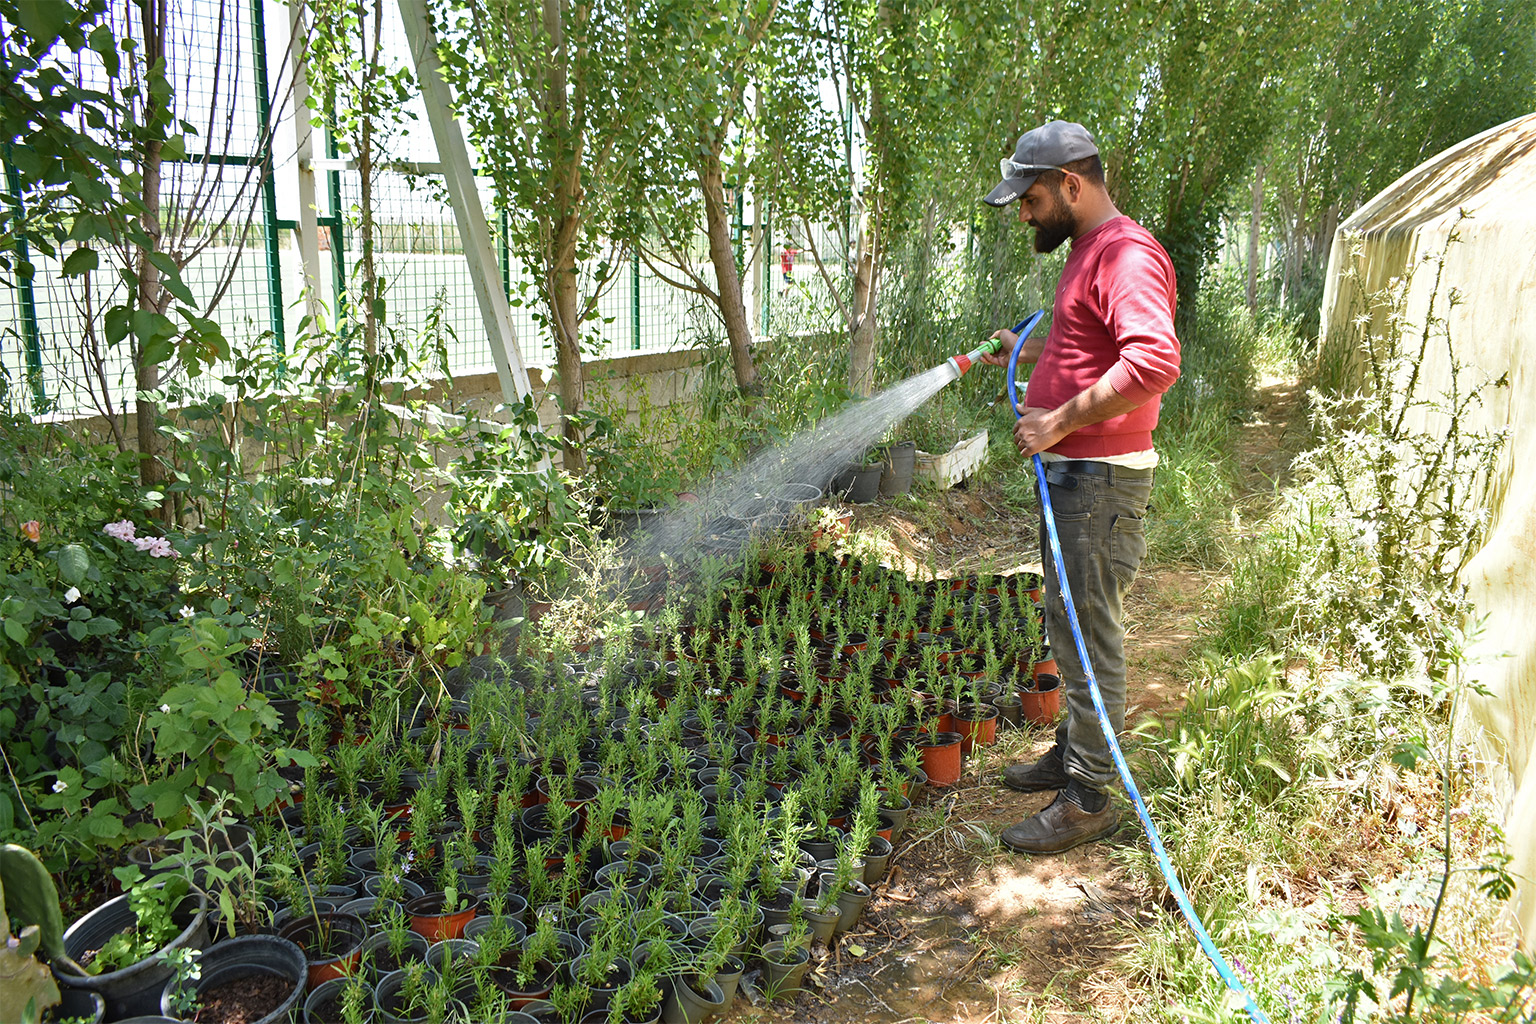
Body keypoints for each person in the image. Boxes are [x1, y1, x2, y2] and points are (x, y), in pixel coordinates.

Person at [977, 120, 1181, 855]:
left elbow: (1154, 361)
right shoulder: (1089, 253)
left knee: (1090, 632)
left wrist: (1056, 420)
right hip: (1077, 475)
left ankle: (1092, 794)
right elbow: (1091, 344)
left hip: (1097, 479)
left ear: (1071, 184)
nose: (1025, 216)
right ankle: (1074, 753)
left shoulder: (1126, 253)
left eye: (1030, 200)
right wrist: (1028, 348)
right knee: (1068, 621)